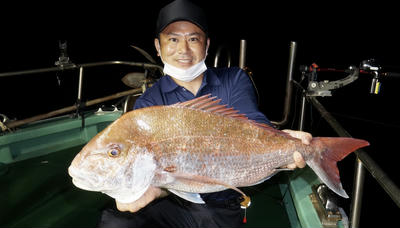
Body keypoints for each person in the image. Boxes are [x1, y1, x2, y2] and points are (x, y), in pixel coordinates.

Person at [97, 0, 311, 227]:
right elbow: (152, 170)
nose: (183, 49)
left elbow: (253, 121)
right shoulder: (149, 103)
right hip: (175, 198)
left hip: (222, 202)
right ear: (158, 47)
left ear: (206, 45)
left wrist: (282, 141)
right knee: (115, 221)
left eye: (193, 39)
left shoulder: (234, 79)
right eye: (173, 39)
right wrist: (152, 190)